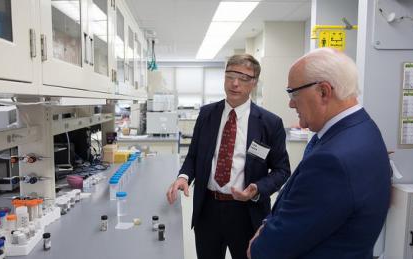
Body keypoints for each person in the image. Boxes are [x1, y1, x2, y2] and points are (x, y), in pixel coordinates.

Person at [248, 48, 391, 258]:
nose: (290, 103)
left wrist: (261, 240)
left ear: (324, 91)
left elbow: (268, 250)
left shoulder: (333, 160)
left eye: (294, 93)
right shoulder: (362, 128)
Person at [166, 54, 290, 259]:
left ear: (254, 83)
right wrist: (183, 177)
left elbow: (282, 170)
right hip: (207, 209)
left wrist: (258, 189)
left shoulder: (269, 123)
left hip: (246, 212)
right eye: (231, 75)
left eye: (243, 78)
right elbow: (193, 156)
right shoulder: (207, 114)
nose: (235, 83)